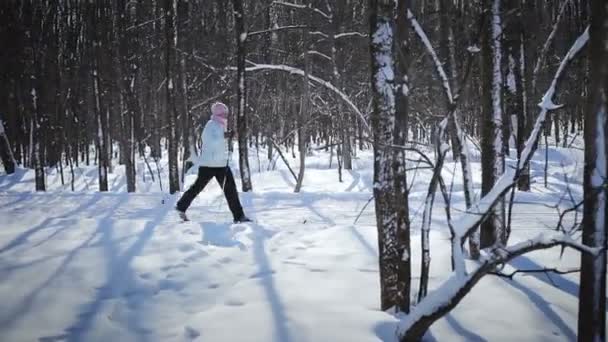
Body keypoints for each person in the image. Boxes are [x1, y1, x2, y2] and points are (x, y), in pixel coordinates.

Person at [176, 102, 251, 223]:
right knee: (197, 187)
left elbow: (220, 143)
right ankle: (181, 206)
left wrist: (227, 136)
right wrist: (225, 136)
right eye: (224, 113)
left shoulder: (220, 125)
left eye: (226, 113)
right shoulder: (211, 125)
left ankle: (239, 216)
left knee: (230, 189)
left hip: (221, 164)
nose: (226, 115)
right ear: (218, 113)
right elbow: (210, 141)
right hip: (209, 165)